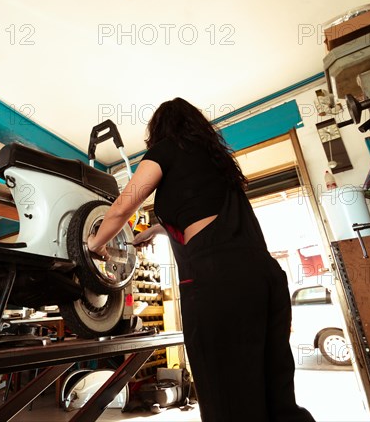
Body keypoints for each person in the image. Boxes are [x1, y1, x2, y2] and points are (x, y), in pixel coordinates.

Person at [87, 97, 315, 422]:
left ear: (160, 130)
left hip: (219, 282)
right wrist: (159, 229)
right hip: (265, 277)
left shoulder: (165, 149)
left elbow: (124, 206)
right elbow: (208, 218)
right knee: (276, 396)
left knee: (227, 398)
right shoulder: (218, 164)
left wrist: (95, 244)